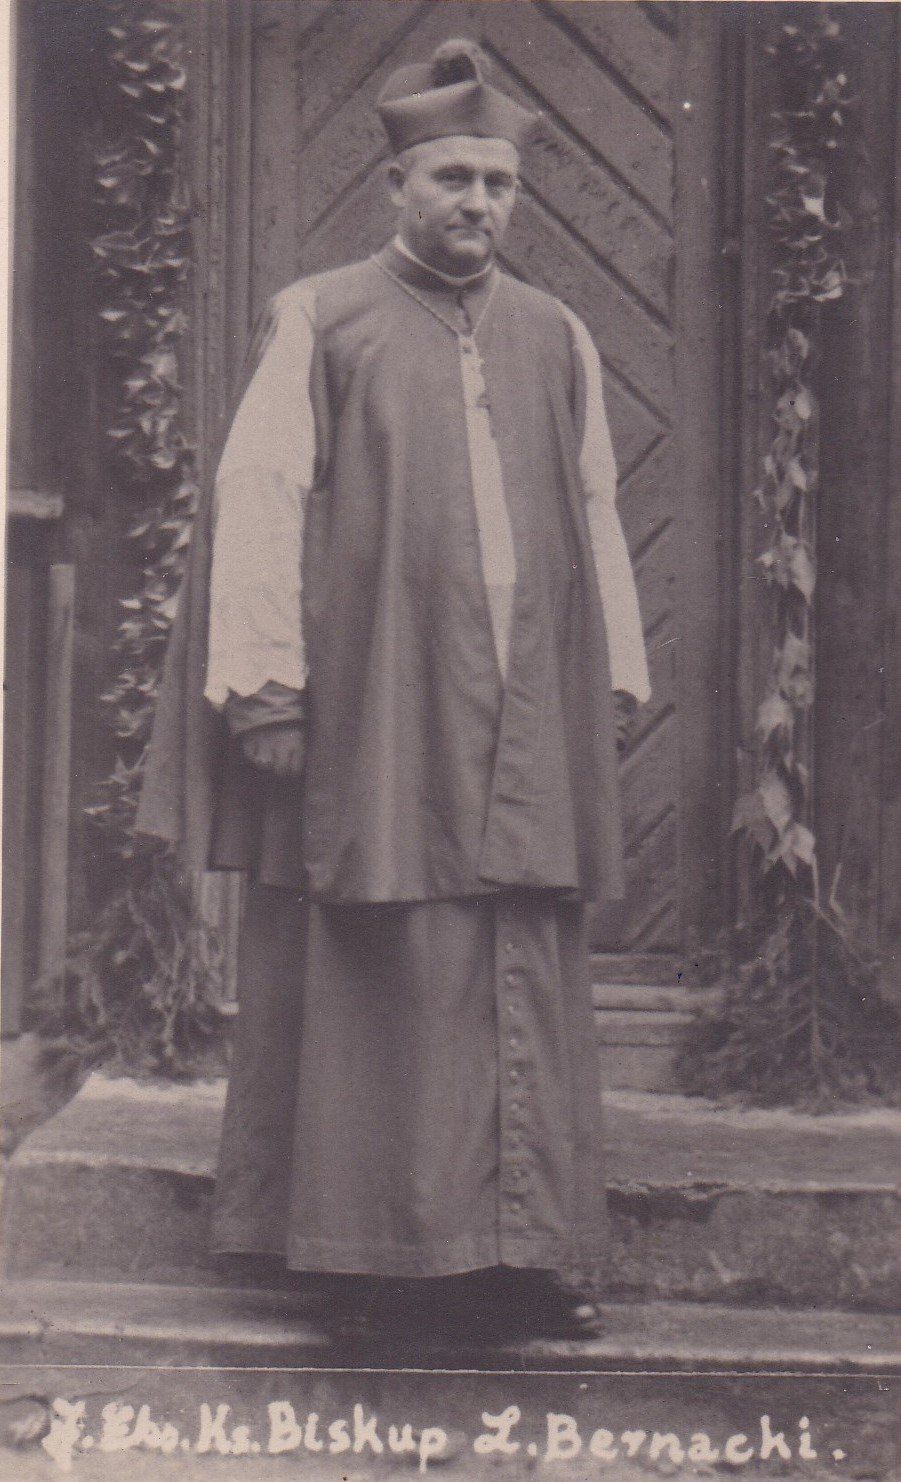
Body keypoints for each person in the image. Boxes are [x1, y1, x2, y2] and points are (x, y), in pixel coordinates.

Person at [136, 38, 650, 1339]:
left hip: (525, 697)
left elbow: (595, 506)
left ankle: (522, 1255)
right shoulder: (323, 317)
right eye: (452, 179)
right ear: (396, 185)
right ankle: (370, 1259)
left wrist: (611, 674)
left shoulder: (558, 334)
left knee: (520, 949)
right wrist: (266, 691)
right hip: (381, 694)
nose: (478, 203)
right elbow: (260, 495)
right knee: (385, 954)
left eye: (498, 183)